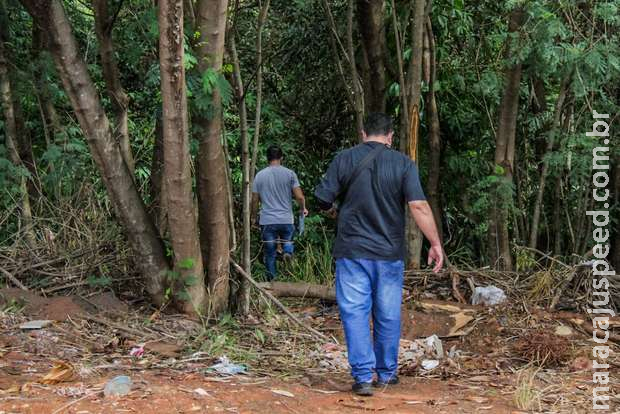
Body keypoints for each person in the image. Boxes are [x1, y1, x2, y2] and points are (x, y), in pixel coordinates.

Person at [314, 113, 443, 397]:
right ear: (390, 136)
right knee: (387, 313)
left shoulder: (344, 159)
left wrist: (335, 212)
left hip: (352, 251)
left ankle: (362, 378)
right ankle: (386, 373)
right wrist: (434, 243)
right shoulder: (403, 164)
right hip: (388, 254)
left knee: (355, 312)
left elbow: (321, 198)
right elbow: (419, 206)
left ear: (363, 133)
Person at [252, 145, 308, 280]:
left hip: (268, 220)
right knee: (287, 239)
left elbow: (254, 200)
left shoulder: (259, 175)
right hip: (286, 219)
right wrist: (302, 209)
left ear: (267, 158)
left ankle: (273, 282)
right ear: (281, 158)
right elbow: (300, 197)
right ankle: (287, 251)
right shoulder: (290, 174)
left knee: (270, 254)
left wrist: (253, 217)